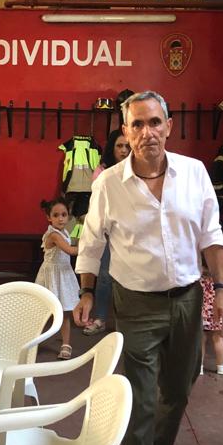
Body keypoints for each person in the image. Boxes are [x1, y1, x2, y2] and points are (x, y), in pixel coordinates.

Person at [74, 90, 223, 445]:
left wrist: (221, 291)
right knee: (141, 403)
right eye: (137, 124)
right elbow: (92, 242)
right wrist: (87, 292)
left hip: (186, 299)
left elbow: (211, 235)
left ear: (169, 125)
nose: (147, 132)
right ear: (125, 132)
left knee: (179, 390)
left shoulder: (196, 174)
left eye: (155, 122)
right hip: (135, 304)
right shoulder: (108, 184)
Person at [82, 128, 131, 337]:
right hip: (107, 234)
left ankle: (124, 323)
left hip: (130, 237)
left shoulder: (140, 170)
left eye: (127, 146)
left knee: (127, 280)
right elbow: (99, 209)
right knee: (104, 277)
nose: (123, 150)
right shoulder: (102, 173)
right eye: (119, 146)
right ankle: (100, 318)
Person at [34, 197, 80, 359]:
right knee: (44, 312)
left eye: (64, 214)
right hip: (52, 276)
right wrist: (89, 245)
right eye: (56, 215)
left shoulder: (65, 232)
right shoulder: (53, 235)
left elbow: (72, 244)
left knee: (65, 312)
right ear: (49, 218)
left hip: (63, 275)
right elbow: (70, 250)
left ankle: (66, 345)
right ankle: (32, 342)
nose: (60, 218)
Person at [200, 266, 223, 375]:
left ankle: (199, 368)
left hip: (202, 313)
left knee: (201, 339)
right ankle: (221, 366)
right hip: (216, 312)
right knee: (218, 338)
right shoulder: (219, 283)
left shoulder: (197, 280)